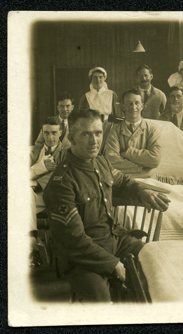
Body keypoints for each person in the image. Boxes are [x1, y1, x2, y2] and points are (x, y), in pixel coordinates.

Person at [43, 109, 170, 303]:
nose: (94, 141)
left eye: (98, 133)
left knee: (155, 262)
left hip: (115, 240)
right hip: (83, 258)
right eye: (85, 134)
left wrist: (142, 192)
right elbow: (74, 240)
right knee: (103, 303)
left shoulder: (101, 162)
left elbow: (123, 182)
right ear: (71, 138)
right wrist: (112, 264)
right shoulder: (62, 182)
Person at [104, 89, 161, 176]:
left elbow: (155, 159)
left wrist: (126, 153)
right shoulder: (114, 130)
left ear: (142, 106)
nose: (133, 107)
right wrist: (141, 169)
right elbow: (112, 160)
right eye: (129, 103)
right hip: (123, 179)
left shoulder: (152, 129)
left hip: (147, 180)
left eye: (137, 103)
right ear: (123, 107)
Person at [31, 116, 71, 190]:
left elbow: (63, 175)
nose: (50, 137)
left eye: (54, 133)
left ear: (60, 133)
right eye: (46, 133)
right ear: (42, 134)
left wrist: (36, 183)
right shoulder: (34, 151)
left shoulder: (66, 154)